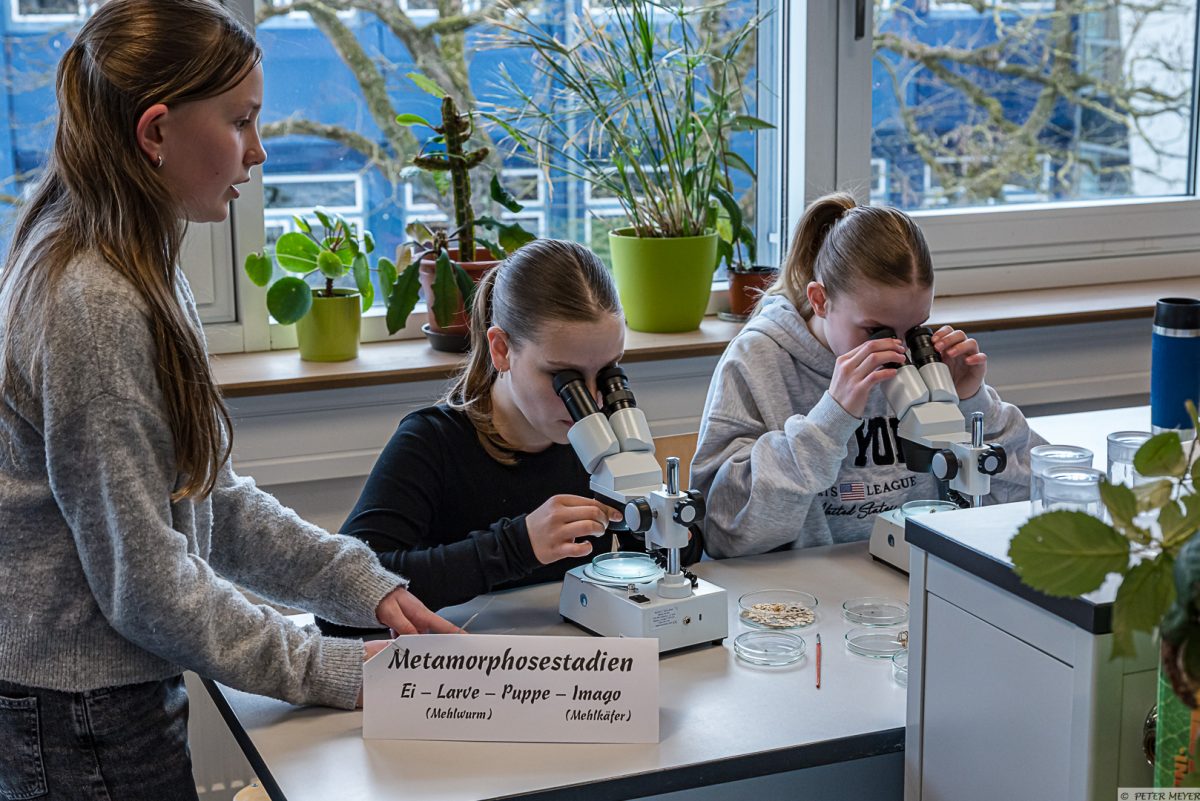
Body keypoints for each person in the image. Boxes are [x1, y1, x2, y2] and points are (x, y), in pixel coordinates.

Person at [0, 2, 455, 798]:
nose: (259, 149)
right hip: (79, 715)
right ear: (155, 132)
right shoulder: (94, 302)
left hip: (94, 700)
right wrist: (327, 665)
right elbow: (146, 584)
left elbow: (206, 497)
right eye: (240, 121)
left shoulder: (132, 258)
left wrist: (360, 582)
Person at [321, 238, 702, 629]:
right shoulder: (430, 442)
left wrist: (668, 529)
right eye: (564, 378)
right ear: (502, 349)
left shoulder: (608, 436)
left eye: (608, 372)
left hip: (580, 653)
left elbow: (673, 562)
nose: (592, 401)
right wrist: (518, 546)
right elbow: (339, 596)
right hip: (468, 658)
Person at [691, 192, 1043, 557]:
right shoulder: (758, 360)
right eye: (876, 331)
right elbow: (723, 532)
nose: (899, 350)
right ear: (820, 300)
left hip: (912, 570)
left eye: (915, 329)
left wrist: (972, 404)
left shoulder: (924, 364)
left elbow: (1032, 495)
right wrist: (829, 421)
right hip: (806, 582)